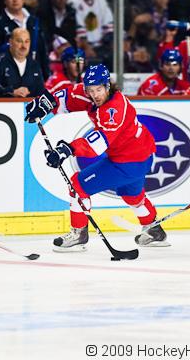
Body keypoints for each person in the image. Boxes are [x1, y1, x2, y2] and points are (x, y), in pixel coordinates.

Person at [24, 64, 168, 251]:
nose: (95, 95)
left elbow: (97, 143)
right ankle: (155, 231)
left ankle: (78, 235)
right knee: (132, 195)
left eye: (99, 89)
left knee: (78, 185)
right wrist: (46, 103)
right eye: (91, 90)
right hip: (141, 156)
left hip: (128, 161)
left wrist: (66, 149)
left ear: (108, 86)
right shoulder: (90, 94)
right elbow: (67, 96)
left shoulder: (114, 109)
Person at [0, 0, 50, 79]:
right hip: (9, 76)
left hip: (34, 75)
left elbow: (43, 50)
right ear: (4, 0)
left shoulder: (34, 21)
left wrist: (46, 75)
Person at [0, 27, 46, 97]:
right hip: (4, 106)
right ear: (10, 42)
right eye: (19, 41)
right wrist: (11, 92)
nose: (23, 46)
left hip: (29, 106)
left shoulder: (35, 65)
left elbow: (41, 91)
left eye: (27, 41)